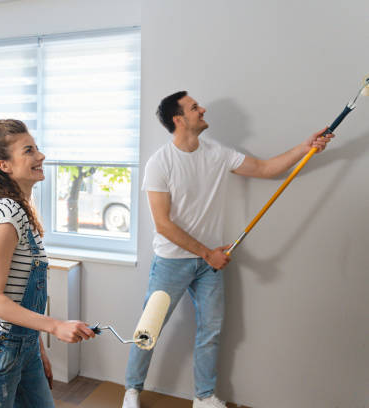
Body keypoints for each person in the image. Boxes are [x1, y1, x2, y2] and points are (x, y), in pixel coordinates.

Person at [122, 92, 333, 408]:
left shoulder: (216, 153)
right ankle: (131, 391)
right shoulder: (160, 163)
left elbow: (264, 169)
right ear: (179, 119)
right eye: (194, 107)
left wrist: (305, 147)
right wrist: (208, 253)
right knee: (148, 331)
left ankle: (204, 397)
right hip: (173, 262)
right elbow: (163, 225)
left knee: (211, 331)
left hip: (209, 264)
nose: (202, 108)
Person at [0, 119, 95, 408]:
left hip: (22, 348)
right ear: (5, 165)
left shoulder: (22, 211)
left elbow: (17, 296)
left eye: (37, 148)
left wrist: (36, 348)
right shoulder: (7, 214)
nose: (41, 156)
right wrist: (55, 326)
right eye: (29, 151)